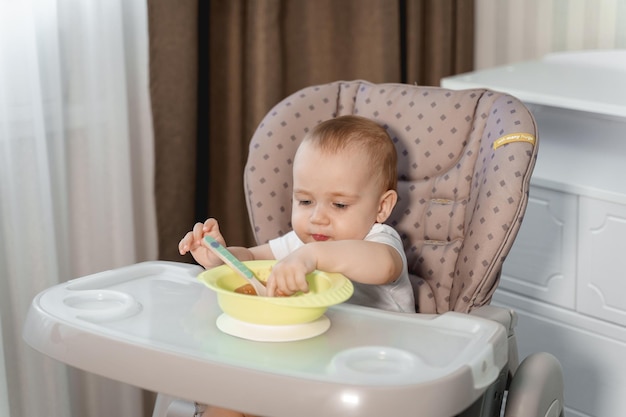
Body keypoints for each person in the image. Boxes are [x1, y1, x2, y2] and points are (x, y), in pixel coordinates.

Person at [178, 114, 415, 417]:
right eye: (304, 201)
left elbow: (383, 266)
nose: (317, 217)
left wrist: (313, 255)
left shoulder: (380, 240)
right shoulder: (300, 244)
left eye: (339, 204)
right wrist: (220, 256)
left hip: (373, 381)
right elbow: (251, 260)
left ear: (382, 207)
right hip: (307, 368)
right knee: (231, 394)